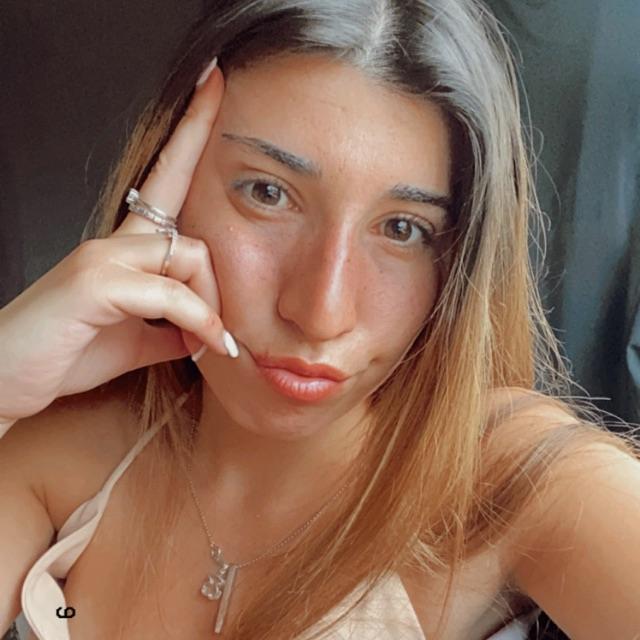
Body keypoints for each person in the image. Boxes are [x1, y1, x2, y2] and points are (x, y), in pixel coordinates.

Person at [1, 1, 639, 639]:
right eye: (268, 193)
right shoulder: (68, 451)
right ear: (170, 188)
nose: (321, 313)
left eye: (402, 229)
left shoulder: (516, 482)